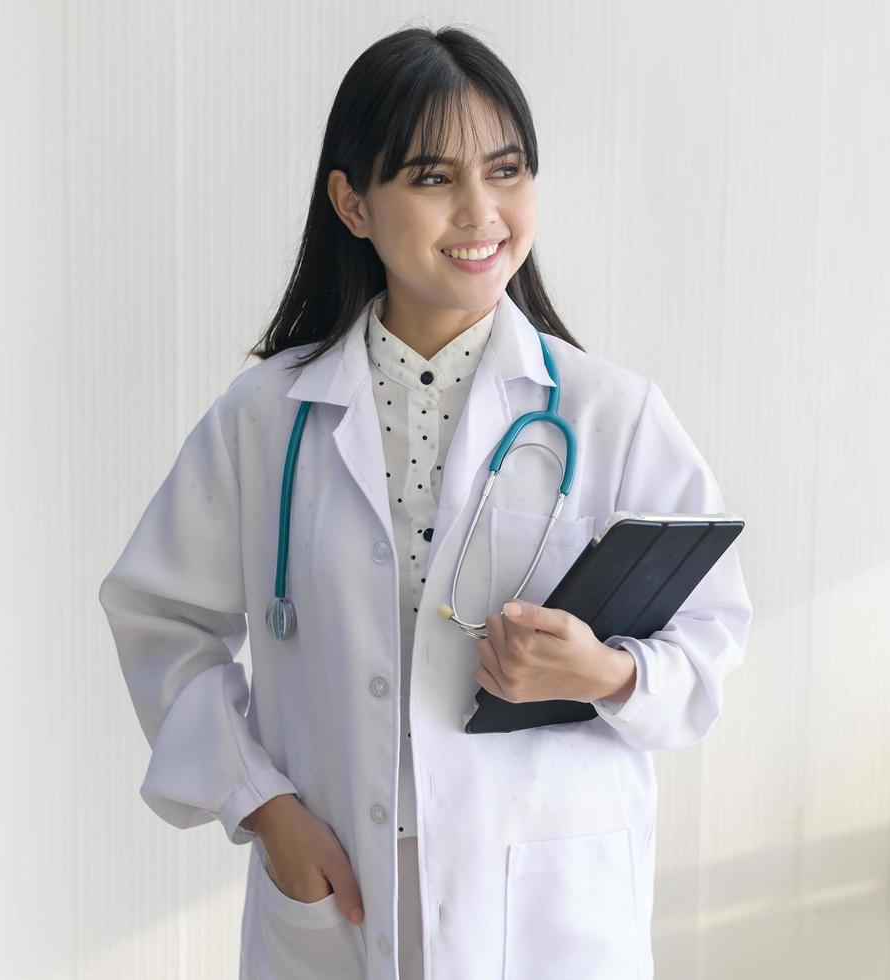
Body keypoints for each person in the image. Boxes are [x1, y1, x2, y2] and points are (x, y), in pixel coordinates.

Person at [99, 24, 752, 980]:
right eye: (433, 177)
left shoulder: (611, 415)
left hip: (542, 901)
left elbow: (711, 639)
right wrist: (266, 809)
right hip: (338, 886)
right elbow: (158, 620)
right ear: (352, 203)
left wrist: (605, 674)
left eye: (507, 170)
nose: (481, 212)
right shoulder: (265, 419)